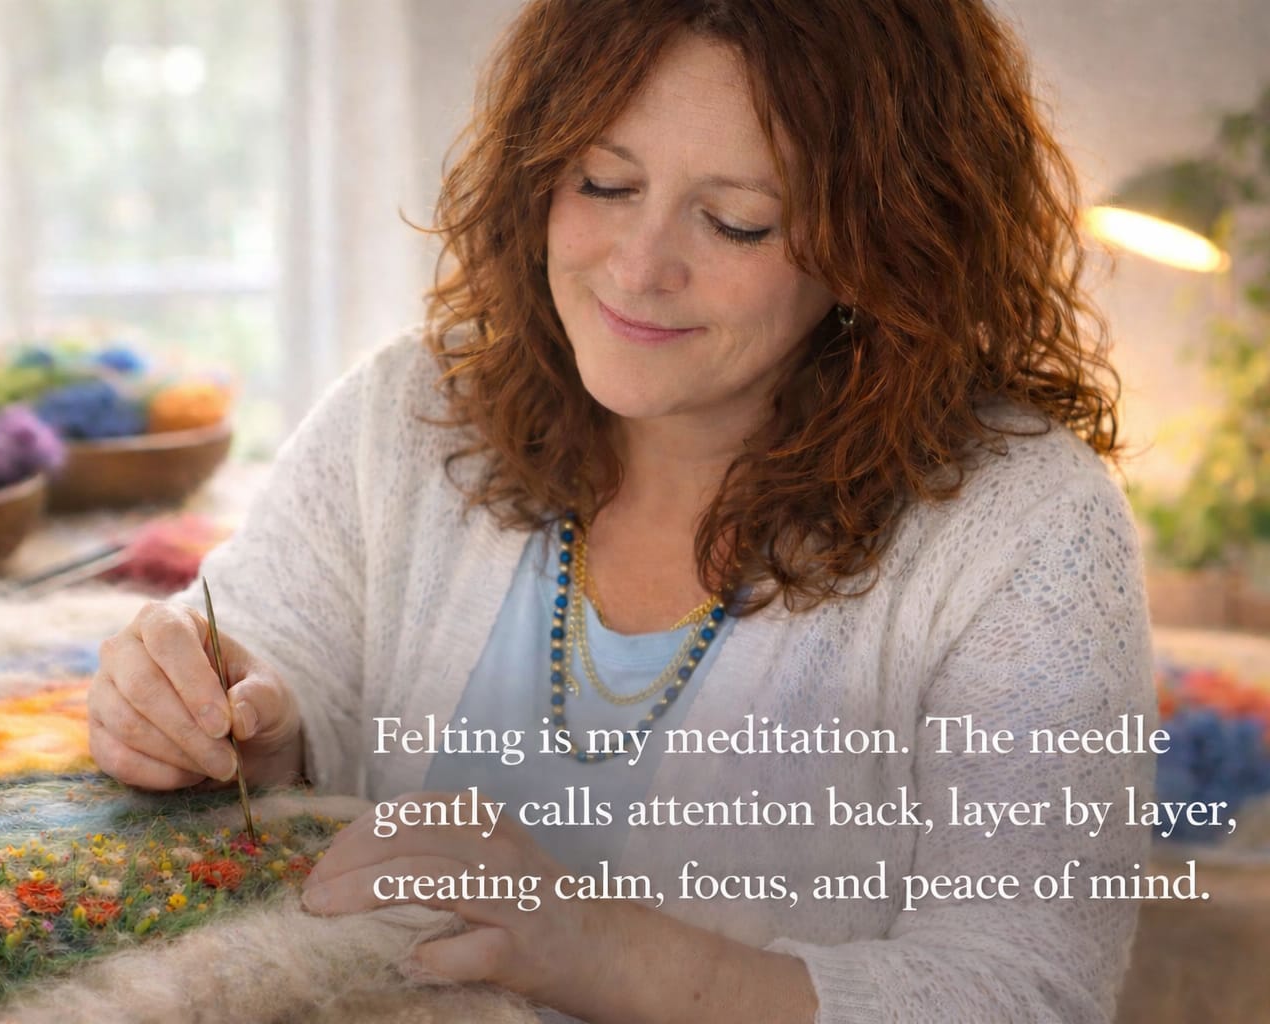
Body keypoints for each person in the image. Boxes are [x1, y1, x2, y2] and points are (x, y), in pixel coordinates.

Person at [87, 1, 1154, 1020]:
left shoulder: (1030, 528)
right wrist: (220, 719)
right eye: (603, 183)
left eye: (738, 223)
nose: (640, 271)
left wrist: (592, 945)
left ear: (883, 244)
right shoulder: (408, 411)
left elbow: (1027, 994)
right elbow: (273, 664)